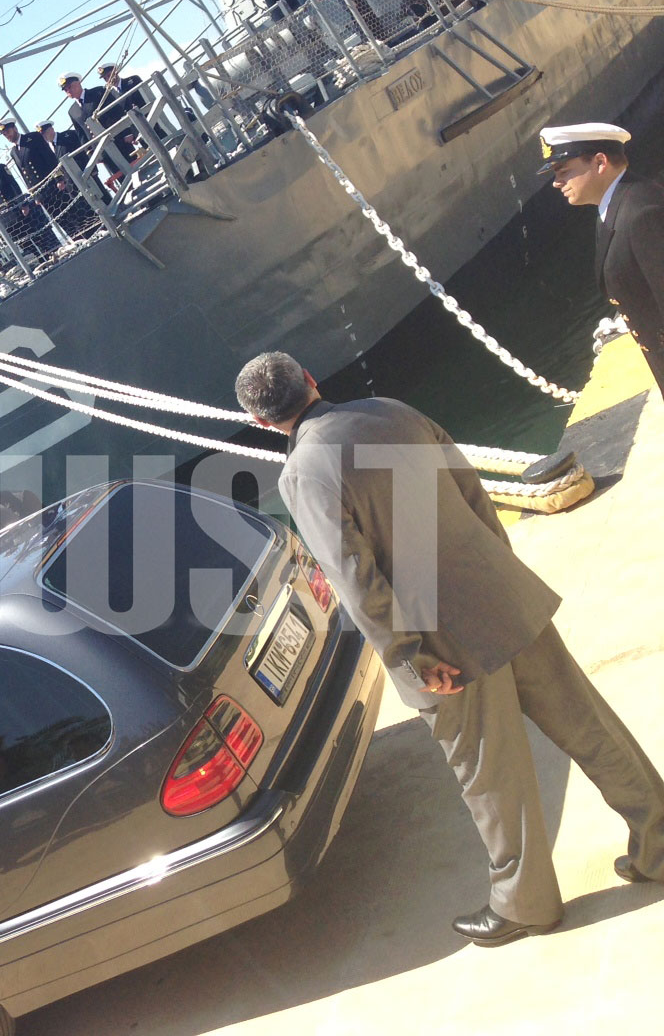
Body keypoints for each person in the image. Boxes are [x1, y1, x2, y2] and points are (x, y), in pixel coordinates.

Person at [233, 351, 664, 946]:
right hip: (502, 595)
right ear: (310, 379)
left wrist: (406, 655)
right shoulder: (392, 410)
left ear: (261, 421)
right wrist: (499, 571)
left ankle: (527, 903)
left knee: (489, 774)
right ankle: (660, 842)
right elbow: (471, 491)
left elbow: (354, 576)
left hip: (440, 646)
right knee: (589, 724)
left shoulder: (305, 471)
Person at [541, 123, 664, 392]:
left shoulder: (641, 213)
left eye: (563, 171)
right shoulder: (615, 208)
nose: (557, 182)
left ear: (600, 162)